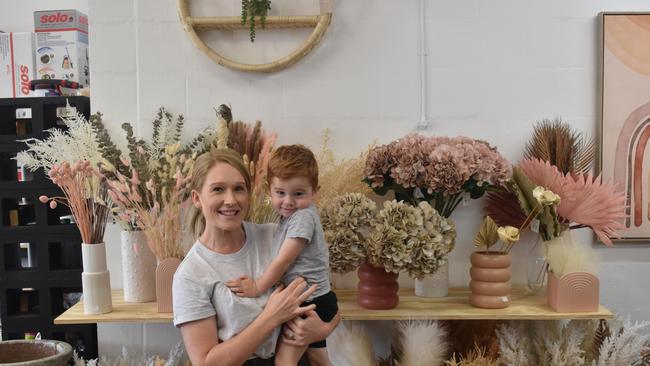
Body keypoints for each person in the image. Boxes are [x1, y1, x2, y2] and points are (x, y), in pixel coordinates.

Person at [173, 148, 340, 366]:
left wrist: (323, 329)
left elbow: (323, 296)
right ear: (197, 198)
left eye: (239, 189)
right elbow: (206, 363)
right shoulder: (191, 275)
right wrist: (271, 317)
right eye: (218, 189)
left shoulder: (275, 236)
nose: (231, 200)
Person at [226, 145, 337, 366]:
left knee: (284, 362)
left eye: (298, 193)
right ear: (270, 190)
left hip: (310, 302)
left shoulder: (302, 217)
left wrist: (257, 287)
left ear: (315, 190)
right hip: (317, 298)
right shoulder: (290, 218)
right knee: (318, 359)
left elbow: (284, 260)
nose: (288, 201)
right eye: (280, 193)